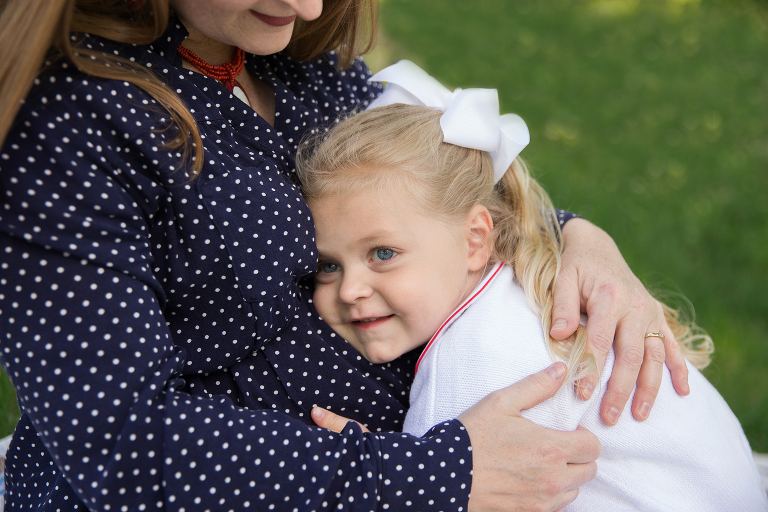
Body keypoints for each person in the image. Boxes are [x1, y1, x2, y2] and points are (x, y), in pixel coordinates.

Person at [0, 1, 690, 510]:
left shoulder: (296, 62)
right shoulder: (65, 122)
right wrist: (435, 476)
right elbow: (120, 442)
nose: (306, 7)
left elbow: (426, 183)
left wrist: (576, 235)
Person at [296, 61, 768, 510]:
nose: (349, 289)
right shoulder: (523, 289)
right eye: (328, 265)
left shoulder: (471, 363)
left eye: (383, 254)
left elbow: (459, 496)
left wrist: (379, 463)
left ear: (476, 239)